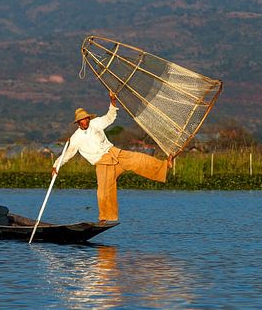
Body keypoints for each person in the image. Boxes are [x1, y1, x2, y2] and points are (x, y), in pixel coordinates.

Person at [52, 92, 173, 223]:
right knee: (104, 191)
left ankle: (165, 164)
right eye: (82, 120)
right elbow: (67, 154)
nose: (85, 121)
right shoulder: (76, 138)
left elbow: (109, 118)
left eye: (86, 118)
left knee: (138, 159)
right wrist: (56, 166)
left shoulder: (95, 123)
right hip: (102, 163)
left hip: (114, 153)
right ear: (78, 123)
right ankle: (104, 218)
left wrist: (113, 101)